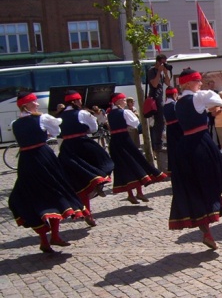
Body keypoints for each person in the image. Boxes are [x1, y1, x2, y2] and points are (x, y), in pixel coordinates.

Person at [8, 92, 90, 253]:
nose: (37, 104)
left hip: (26, 161)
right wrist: (45, 133)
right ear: (27, 105)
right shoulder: (42, 118)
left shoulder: (15, 123)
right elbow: (56, 130)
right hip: (43, 157)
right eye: (35, 102)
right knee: (55, 191)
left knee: (35, 195)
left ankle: (46, 239)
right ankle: (54, 236)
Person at [168, 68, 222, 250]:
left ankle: (206, 230)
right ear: (191, 83)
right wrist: (214, 105)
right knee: (214, 177)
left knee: (194, 186)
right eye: (199, 81)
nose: (201, 84)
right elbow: (216, 99)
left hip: (184, 146)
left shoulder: (178, 103)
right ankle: (214, 208)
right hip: (201, 143)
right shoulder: (198, 97)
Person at [58, 91, 114, 227]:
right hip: (82, 144)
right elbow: (93, 128)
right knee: (105, 162)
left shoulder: (58, 116)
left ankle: (87, 211)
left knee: (78, 181)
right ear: (75, 101)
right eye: (79, 100)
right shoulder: (82, 113)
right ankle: (99, 185)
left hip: (67, 148)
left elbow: (57, 132)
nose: (81, 103)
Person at [107, 92, 168, 204]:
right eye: (124, 100)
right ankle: (138, 192)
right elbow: (135, 123)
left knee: (124, 166)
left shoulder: (110, 114)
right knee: (136, 162)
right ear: (118, 101)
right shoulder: (125, 112)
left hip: (114, 142)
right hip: (125, 140)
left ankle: (132, 194)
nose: (125, 101)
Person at [148, 54, 171, 166]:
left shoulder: (162, 72)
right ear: (157, 62)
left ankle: (160, 142)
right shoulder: (152, 71)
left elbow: (168, 83)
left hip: (160, 98)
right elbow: (154, 83)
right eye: (162, 62)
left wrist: (165, 72)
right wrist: (158, 72)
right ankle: (157, 144)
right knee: (158, 123)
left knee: (162, 121)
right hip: (154, 99)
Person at [163, 86, 182, 175]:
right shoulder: (175, 105)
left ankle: (175, 172)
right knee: (180, 149)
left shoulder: (164, 106)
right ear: (174, 94)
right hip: (178, 128)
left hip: (170, 130)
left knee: (172, 151)